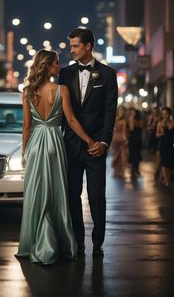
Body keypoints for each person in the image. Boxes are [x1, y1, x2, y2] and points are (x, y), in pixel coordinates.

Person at [15, 49, 94, 266]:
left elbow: (26, 126)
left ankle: (35, 242)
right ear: (48, 66)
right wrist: (89, 140)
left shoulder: (28, 91)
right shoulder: (61, 90)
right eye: (57, 63)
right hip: (55, 144)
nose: (59, 67)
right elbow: (72, 122)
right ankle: (58, 243)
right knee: (56, 193)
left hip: (35, 145)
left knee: (37, 194)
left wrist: (25, 152)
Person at [58, 28, 118, 258]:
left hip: (96, 148)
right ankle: (78, 242)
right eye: (71, 45)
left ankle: (98, 242)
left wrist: (104, 142)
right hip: (71, 146)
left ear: (89, 46)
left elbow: (110, 110)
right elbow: (64, 112)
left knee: (96, 196)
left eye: (75, 46)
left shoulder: (108, 74)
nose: (71, 50)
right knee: (72, 195)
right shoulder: (64, 73)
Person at [156, 107, 174, 189]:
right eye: (162, 114)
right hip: (163, 145)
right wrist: (161, 134)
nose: (164, 115)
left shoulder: (173, 123)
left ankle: (165, 178)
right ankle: (167, 181)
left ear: (169, 114)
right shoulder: (160, 123)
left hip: (171, 145)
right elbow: (157, 135)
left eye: (166, 113)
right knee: (164, 163)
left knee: (170, 162)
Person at [111, 106, 128, 178]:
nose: (122, 112)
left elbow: (124, 131)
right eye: (121, 110)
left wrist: (125, 139)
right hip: (116, 138)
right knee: (117, 154)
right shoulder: (115, 118)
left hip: (119, 137)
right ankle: (117, 170)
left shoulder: (124, 120)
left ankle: (121, 170)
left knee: (123, 155)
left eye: (123, 111)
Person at [128, 107, 143, 178]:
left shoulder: (132, 119)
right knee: (136, 154)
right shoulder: (140, 120)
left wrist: (131, 120)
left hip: (133, 138)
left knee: (134, 154)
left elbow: (131, 128)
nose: (131, 113)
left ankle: (134, 169)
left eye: (133, 112)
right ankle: (135, 169)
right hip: (138, 138)